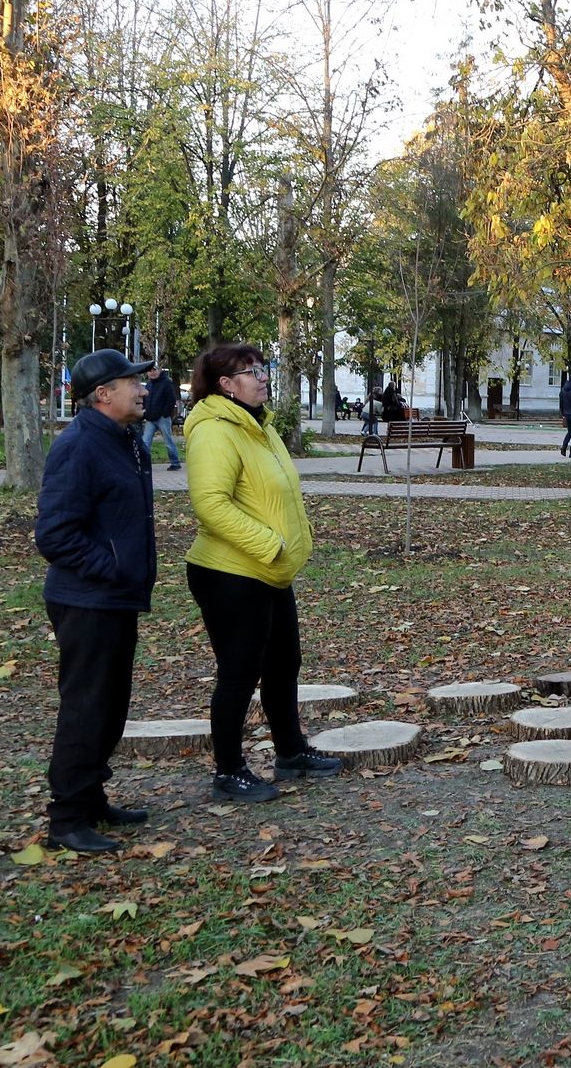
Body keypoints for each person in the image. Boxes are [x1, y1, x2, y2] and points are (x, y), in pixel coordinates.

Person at [182, 342, 342, 803]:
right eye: (252, 371)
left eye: (264, 368)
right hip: (229, 571)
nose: (264, 377)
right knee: (238, 673)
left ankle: (290, 753)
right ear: (225, 385)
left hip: (269, 572)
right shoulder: (214, 430)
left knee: (282, 664)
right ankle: (228, 771)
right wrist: (269, 544)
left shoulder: (259, 426)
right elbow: (211, 504)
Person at [32, 348, 158, 853]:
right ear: (103, 394)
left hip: (116, 599)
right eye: (133, 382)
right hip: (87, 600)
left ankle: (90, 798)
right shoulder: (79, 446)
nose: (144, 387)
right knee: (86, 706)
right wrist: (114, 569)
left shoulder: (125, 440)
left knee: (110, 705)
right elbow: (55, 534)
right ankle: (66, 818)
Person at [142, 366, 181, 470]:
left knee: (168, 441)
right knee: (145, 442)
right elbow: (145, 400)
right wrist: (145, 413)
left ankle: (175, 463)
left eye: (154, 370)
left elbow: (171, 399)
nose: (152, 373)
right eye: (149, 371)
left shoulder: (167, 383)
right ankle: (143, 463)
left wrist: (165, 413)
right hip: (150, 418)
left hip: (162, 418)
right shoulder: (148, 384)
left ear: (159, 370)